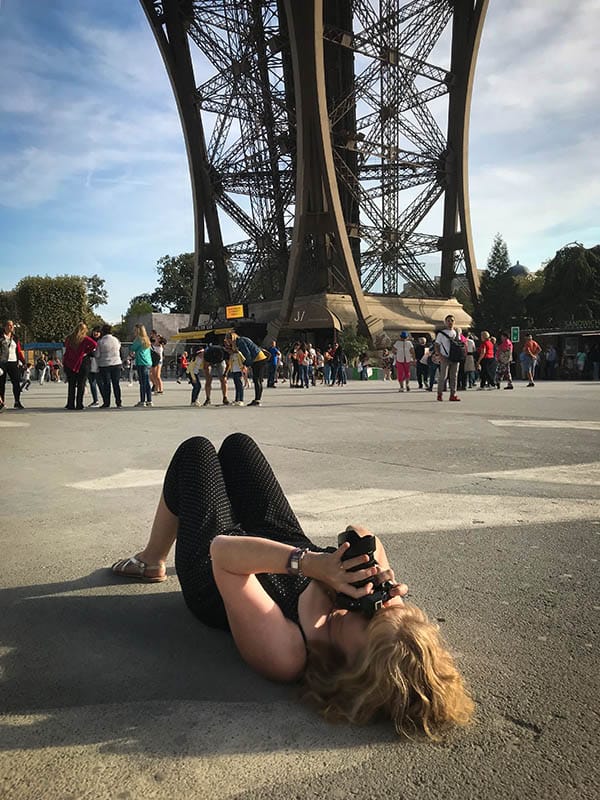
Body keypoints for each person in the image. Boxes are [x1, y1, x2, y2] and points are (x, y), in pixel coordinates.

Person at [111, 433, 474, 739]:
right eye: (385, 605)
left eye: (370, 619)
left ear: (355, 664)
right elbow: (363, 534)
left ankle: (151, 559)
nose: (368, 606)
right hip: (282, 543)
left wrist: (313, 564)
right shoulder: (361, 605)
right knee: (239, 446)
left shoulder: (289, 654)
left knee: (197, 452)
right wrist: (378, 572)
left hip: (217, 569)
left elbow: (223, 552)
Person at [225, 332, 268, 405]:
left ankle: (257, 400)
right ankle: (257, 399)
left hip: (258, 359)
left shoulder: (240, 342)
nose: (228, 342)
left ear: (232, 338)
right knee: (257, 379)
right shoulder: (241, 339)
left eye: (228, 340)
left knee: (257, 379)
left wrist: (246, 364)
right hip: (259, 358)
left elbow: (247, 353)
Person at [63, 322, 97, 410]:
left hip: (69, 363)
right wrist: (86, 351)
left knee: (72, 385)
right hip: (82, 362)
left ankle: (70, 404)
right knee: (81, 384)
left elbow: (66, 347)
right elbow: (94, 344)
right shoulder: (85, 339)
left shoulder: (69, 338)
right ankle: (79, 404)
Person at [0, 320, 26, 411]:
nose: (11, 327)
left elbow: (18, 350)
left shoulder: (15, 338)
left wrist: (23, 362)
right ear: (5, 327)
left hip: (13, 362)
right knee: (1, 384)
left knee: (16, 383)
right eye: (9, 325)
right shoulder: (0, 337)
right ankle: (1, 402)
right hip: (2, 362)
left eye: (12, 325)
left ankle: (17, 401)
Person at [95, 324, 123, 408]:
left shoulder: (100, 342)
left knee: (106, 384)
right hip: (116, 363)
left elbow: (97, 354)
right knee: (116, 384)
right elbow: (118, 348)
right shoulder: (116, 340)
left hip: (105, 364)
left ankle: (106, 402)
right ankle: (118, 402)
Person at [434, 316, 461, 401]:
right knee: (443, 376)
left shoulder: (456, 332)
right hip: (445, 356)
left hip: (455, 357)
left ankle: (453, 394)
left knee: (454, 376)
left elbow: (459, 344)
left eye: (452, 321)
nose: (450, 322)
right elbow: (437, 345)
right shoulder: (441, 333)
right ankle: (439, 394)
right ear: (445, 322)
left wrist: (459, 334)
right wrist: (439, 355)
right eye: (448, 321)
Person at [130, 324, 153, 407]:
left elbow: (132, 348)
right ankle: (149, 400)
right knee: (147, 382)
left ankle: (142, 400)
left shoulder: (138, 340)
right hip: (148, 362)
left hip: (141, 362)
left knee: (142, 382)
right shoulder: (147, 339)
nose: (134, 332)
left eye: (135, 330)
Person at [202, 338, 230, 406]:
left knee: (223, 380)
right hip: (210, 362)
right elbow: (205, 367)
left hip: (220, 362)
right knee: (208, 381)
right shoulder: (207, 354)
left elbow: (228, 364)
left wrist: (225, 374)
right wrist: (207, 375)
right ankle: (208, 398)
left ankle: (225, 397)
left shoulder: (224, 352)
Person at [87, 327, 102, 406]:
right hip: (90, 363)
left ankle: (105, 400)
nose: (95, 333)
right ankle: (95, 400)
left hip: (99, 363)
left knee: (100, 382)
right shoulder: (89, 340)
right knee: (92, 382)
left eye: (97, 332)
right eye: (94, 331)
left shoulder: (102, 341)